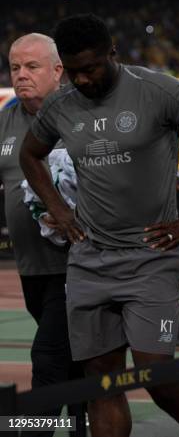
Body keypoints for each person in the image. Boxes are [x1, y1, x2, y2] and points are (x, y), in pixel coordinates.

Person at [19, 14, 179, 437]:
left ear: (113, 53)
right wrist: (59, 208)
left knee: (155, 373)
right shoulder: (60, 105)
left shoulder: (156, 90)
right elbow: (29, 156)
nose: (83, 79)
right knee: (103, 382)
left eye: (91, 68)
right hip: (90, 260)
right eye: (73, 72)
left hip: (151, 256)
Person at [0, 33, 85, 436]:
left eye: (32, 67)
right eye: (15, 67)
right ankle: (83, 423)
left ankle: (30, 432)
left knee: (47, 358)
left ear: (58, 71)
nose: (21, 75)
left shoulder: (82, 115)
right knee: (73, 364)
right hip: (32, 269)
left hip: (81, 266)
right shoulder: (5, 120)